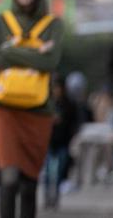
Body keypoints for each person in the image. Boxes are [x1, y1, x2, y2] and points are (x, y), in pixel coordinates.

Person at [0, 0, 63, 218]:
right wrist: (35, 53)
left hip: (39, 112)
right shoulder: (1, 21)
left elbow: (50, 62)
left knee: (30, 183)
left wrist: (9, 51)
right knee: (8, 178)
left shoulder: (53, 25)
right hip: (5, 109)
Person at [44, 75, 80, 209]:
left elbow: (74, 123)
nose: (56, 90)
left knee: (59, 172)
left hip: (63, 142)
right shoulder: (47, 103)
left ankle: (56, 197)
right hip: (49, 141)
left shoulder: (69, 104)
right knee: (48, 173)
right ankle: (47, 197)